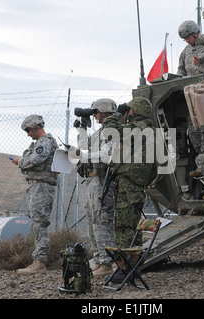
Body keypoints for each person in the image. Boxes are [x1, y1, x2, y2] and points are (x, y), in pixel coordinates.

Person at [102, 97, 157, 249]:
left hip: (128, 184)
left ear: (135, 111)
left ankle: (124, 267)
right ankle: (133, 262)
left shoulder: (137, 129)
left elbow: (108, 130)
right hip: (138, 185)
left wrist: (118, 114)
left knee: (124, 226)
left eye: (130, 109)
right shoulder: (151, 130)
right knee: (133, 225)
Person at [71, 98, 118, 277]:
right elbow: (84, 150)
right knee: (92, 221)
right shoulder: (99, 132)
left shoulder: (113, 131)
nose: (95, 116)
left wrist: (85, 155)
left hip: (103, 180)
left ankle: (107, 263)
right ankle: (99, 259)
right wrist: (81, 130)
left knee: (101, 221)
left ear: (102, 112)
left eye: (95, 113)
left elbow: (106, 155)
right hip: (91, 180)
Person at [11, 114, 58, 275]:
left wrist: (21, 161)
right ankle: (38, 260)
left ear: (36, 127)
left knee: (39, 223)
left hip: (41, 186)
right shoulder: (41, 143)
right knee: (37, 223)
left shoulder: (45, 142)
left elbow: (37, 159)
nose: (28, 134)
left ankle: (39, 261)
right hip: (37, 186)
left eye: (29, 130)